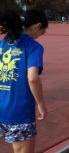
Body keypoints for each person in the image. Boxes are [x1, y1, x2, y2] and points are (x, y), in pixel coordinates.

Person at [0, 9, 48, 153]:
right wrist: (41, 104)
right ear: (37, 26)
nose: (42, 35)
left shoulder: (3, 43)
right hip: (19, 111)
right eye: (43, 30)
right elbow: (32, 78)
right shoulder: (33, 46)